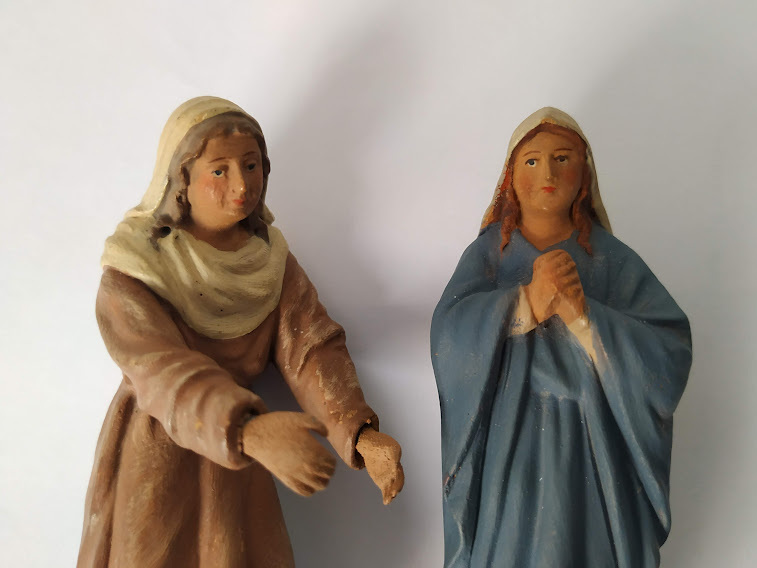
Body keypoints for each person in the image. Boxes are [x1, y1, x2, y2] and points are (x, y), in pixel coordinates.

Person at [78, 96, 404, 568]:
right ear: (181, 179)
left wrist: (359, 433)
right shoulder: (136, 267)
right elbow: (158, 371)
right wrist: (247, 431)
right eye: (220, 170)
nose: (241, 185)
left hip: (242, 462)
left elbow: (311, 349)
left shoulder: (269, 260)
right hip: (164, 448)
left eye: (251, 166)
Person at [431, 107, 691, 568]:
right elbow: (448, 335)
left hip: (593, 446)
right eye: (532, 161)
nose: (547, 174)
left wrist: (585, 319)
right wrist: (524, 303)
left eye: (562, 158)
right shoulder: (490, 255)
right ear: (510, 178)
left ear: (584, 173)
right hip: (511, 446)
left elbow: (668, 352)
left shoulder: (611, 260)